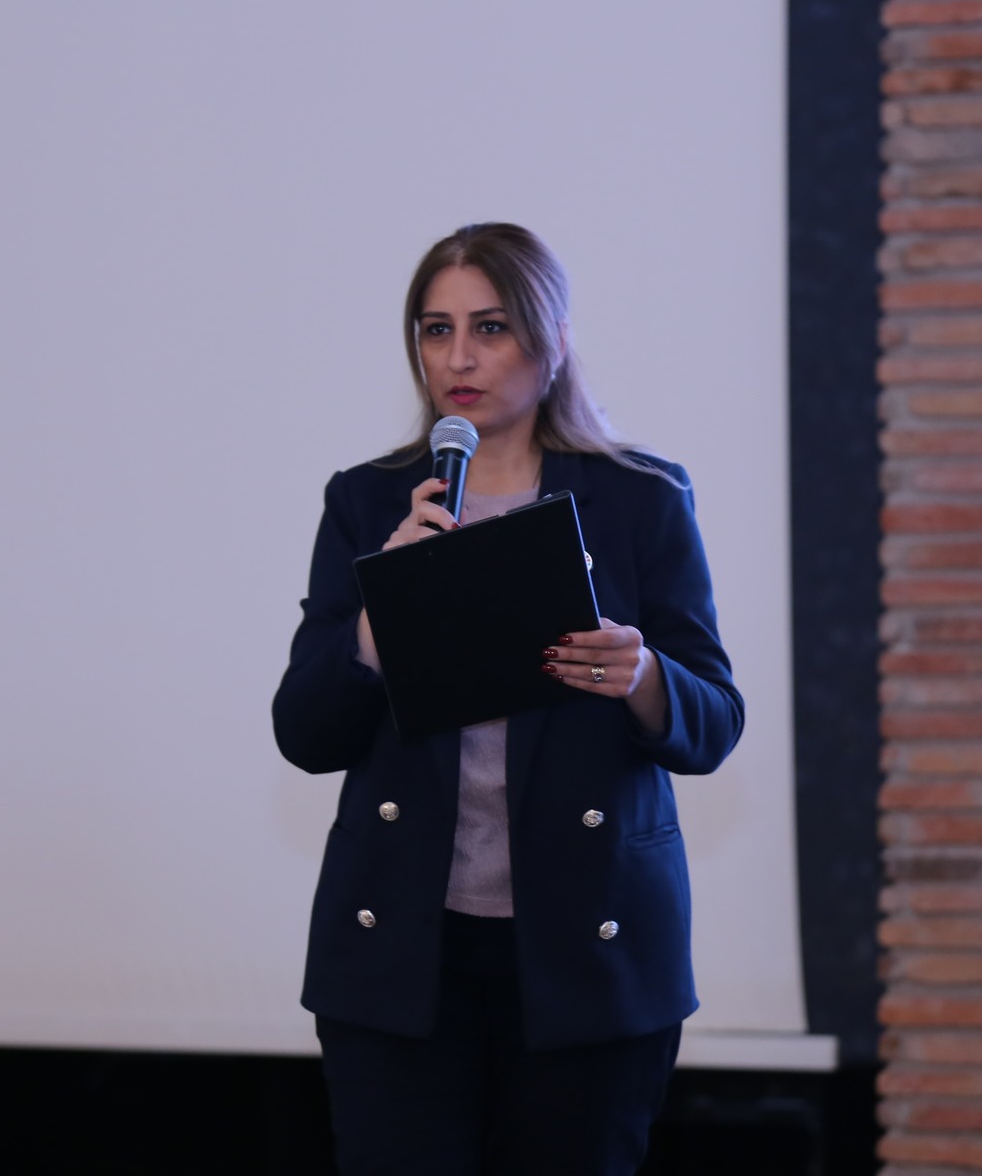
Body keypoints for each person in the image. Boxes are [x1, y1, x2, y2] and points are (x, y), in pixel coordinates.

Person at [271, 223, 743, 1175]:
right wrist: (378, 616)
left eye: (490, 327)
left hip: (589, 952)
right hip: (403, 957)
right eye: (435, 329)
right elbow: (305, 731)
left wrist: (643, 675)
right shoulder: (368, 502)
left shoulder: (640, 498)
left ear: (550, 339)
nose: (459, 357)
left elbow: (714, 721)